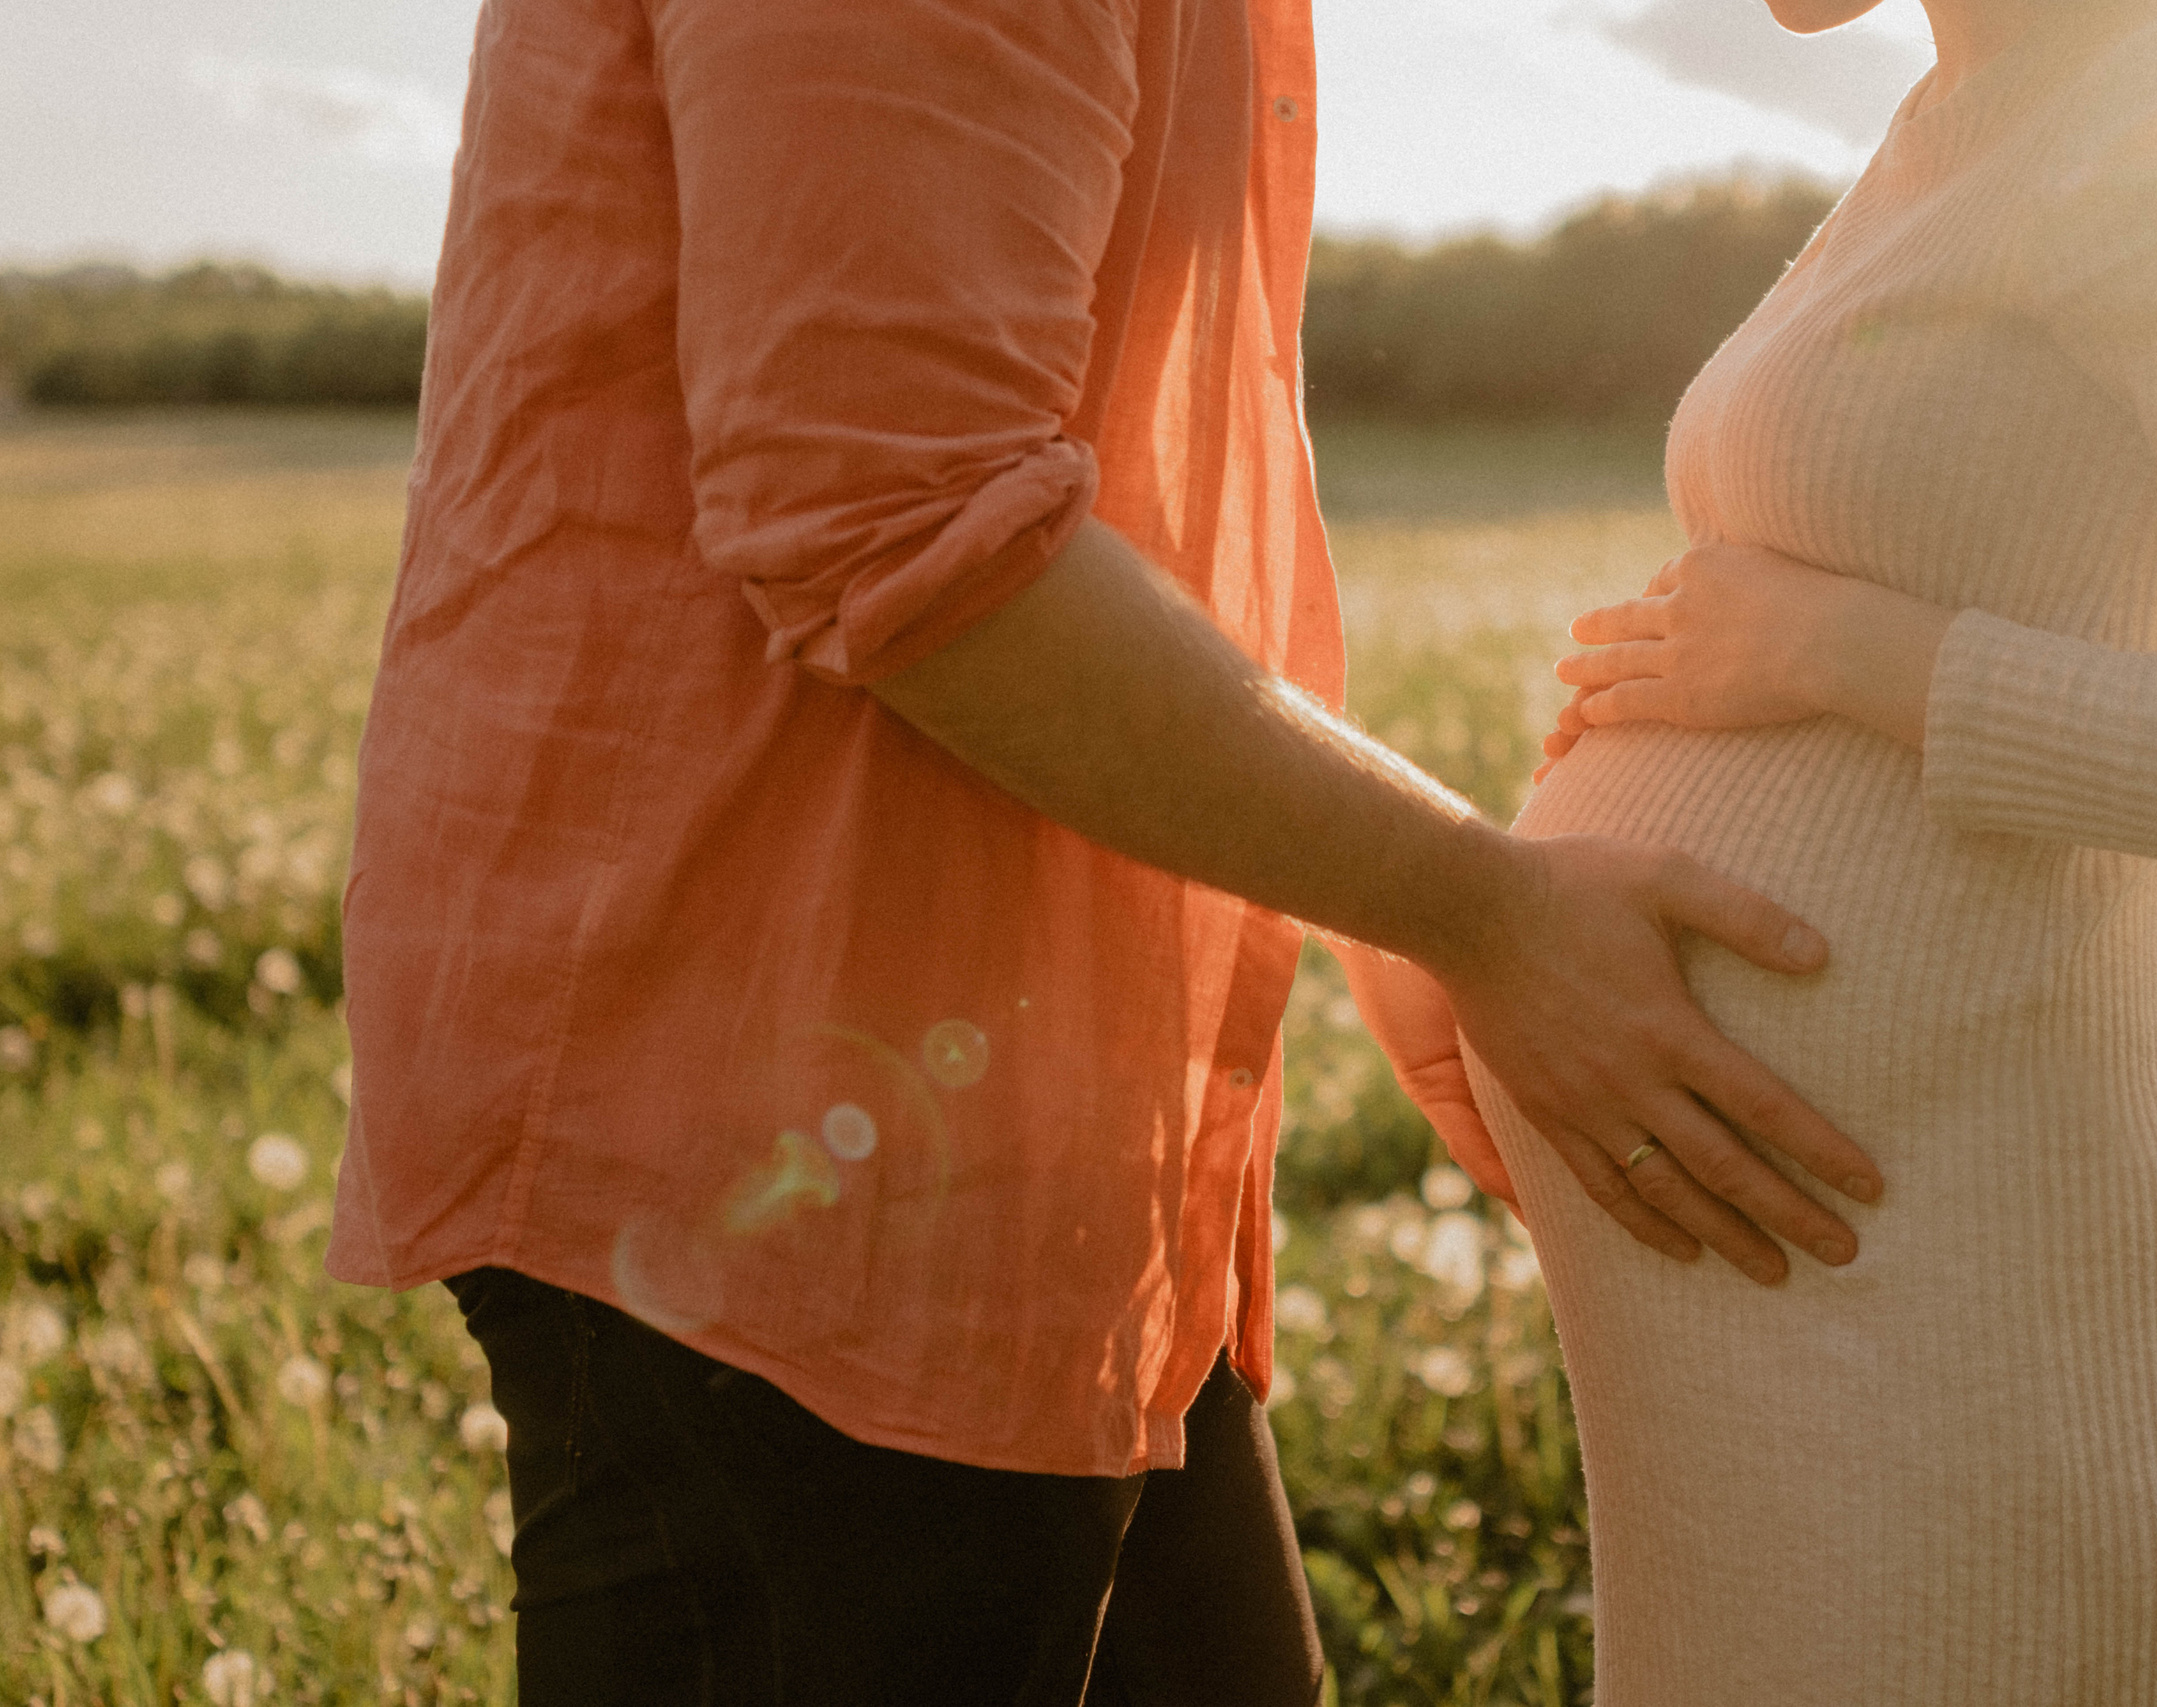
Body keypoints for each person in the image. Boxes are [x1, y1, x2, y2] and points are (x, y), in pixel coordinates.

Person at [322, 2, 1885, 1702]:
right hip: (763, 1116)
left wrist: (1410, 912)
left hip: (1005, 1110)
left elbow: (1093, 492)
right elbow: (899, 514)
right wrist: (1476, 910)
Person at [1353, 0, 2157, 1697]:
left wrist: (1842, 655)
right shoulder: (1973, 110)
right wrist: (1499, 900)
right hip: (1771, 1362)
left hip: (1961, 1381)